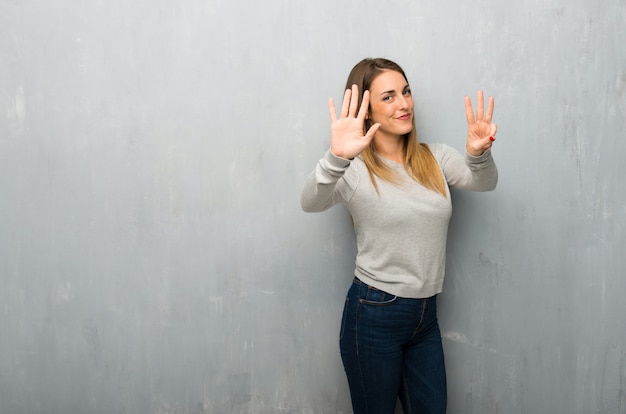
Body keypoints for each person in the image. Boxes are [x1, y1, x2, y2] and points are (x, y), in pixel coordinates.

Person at [300, 58, 498, 414]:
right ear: (368, 111)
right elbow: (310, 202)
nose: (404, 104)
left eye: (405, 92)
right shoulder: (356, 169)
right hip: (374, 313)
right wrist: (336, 158)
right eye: (388, 97)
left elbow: (484, 182)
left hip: (425, 317)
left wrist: (478, 154)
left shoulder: (433, 158)